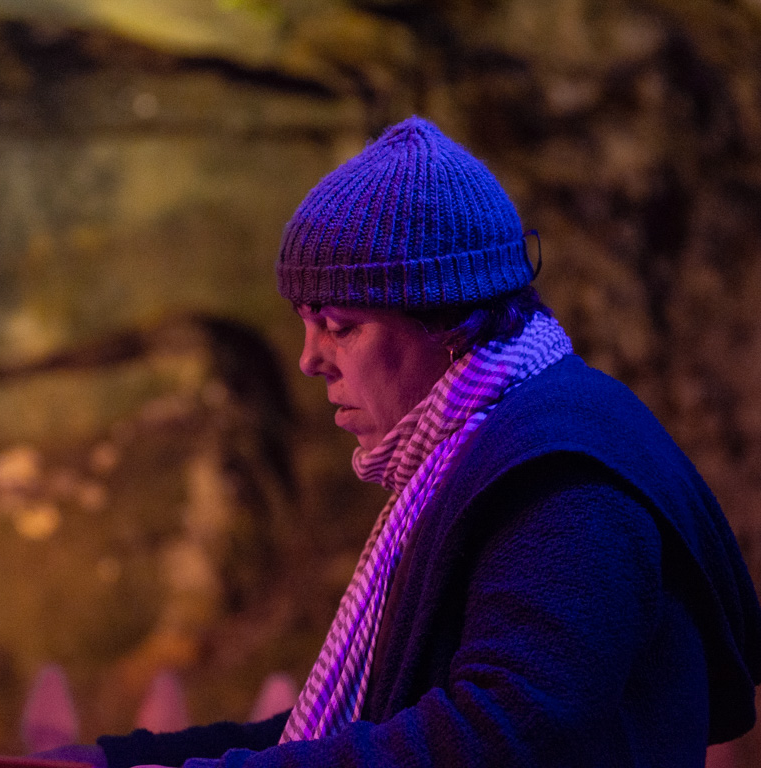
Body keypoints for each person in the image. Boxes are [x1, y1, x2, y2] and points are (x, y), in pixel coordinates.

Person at [40, 116, 761, 767]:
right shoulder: (477, 450)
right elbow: (365, 721)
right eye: (305, 321)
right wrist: (120, 759)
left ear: (446, 321)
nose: (309, 359)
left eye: (340, 324)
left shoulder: (565, 481)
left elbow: (500, 736)